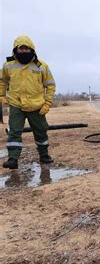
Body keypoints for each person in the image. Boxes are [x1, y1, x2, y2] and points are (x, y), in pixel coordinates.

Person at [1, 35, 56, 169]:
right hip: (16, 105)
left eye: (27, 49)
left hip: (37, 106)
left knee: (41, 131)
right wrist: (1, 96)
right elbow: (2, 82)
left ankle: (44, 155)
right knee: (14, 132)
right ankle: (13, 159)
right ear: (15, 50)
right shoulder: (8, 65)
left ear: (32, 49)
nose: (24, 51)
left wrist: (47, 103)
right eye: (21, 49)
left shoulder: (42, 66)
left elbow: (50, 85)